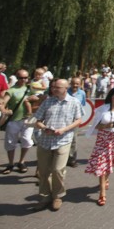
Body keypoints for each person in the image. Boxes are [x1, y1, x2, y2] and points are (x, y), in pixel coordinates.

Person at [32, 79, 82, 211]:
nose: (54, 89)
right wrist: (44, 127)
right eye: (53, 87)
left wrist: (64, 130)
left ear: (66, 89)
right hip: (45, 141)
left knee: (58, 169)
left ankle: (57, 196)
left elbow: (78, 120)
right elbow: (37, 121)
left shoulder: (74, 102)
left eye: (58, 87)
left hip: (63, 140)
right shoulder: (47, 101)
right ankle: (45, 196)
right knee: (43, 171)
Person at [0, 69, 35, 175]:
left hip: (28, 120)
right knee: (11, 142)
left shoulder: (30, 89)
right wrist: (5, 111)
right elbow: (2, 103)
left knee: (27, 140)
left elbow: (40, 99)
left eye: (25, 77)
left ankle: (21, 161)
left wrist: (35, 98)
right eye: (21, 78)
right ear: (16, 77)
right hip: (14, 120)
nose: (23, 80)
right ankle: (10, 163)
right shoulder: (11, 90)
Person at [66, 77, 86, 168]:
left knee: (74, 140)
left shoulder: (82, 93)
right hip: (65, 119)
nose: (75, 85)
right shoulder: (66, 92)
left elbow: (83, 105)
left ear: (80, 84)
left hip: (75, 120)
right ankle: (63, 158)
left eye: (77, 84)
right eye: (73, 83)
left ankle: (72, 159)